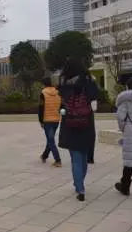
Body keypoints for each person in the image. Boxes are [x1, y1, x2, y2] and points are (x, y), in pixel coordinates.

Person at [58, 59, 99, 201]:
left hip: (69, 122)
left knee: (75, 158)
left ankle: (80, 188)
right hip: (86, 122)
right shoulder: (89, 81)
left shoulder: (64, 83)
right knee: (83, 156)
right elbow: (95, 101)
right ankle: (79, 182)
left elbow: (61, 106)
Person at [38, 77, 62, 167]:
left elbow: (41, 108)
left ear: (44, 84)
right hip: (56, 120)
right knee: (50, 139)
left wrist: (41, 121)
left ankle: (58, 160)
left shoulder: (43, 93)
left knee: (51, 140)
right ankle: (44, 156)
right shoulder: (58, 93)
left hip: (47, 120)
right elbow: (62, 106)